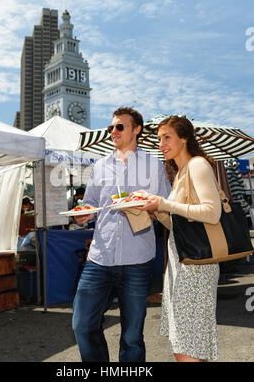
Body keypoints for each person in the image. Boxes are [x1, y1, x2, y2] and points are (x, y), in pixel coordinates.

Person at [72, 107, 170, 362]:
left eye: (119, 127)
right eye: (111, 128)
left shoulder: (154, 165)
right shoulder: (100, 165)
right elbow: (90, 203)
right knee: (82, 325)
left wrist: (150, 209)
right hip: (99, 258)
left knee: (132, 337)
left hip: (137, 259)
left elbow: (166, 205)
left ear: (136, 129)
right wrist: (82, 215)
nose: (113, 132)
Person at [137, 115, 221, 362]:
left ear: (184, 139)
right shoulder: (182, 172)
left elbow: (212, 213)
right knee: (191, 342)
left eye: (167, 137)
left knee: (187, 345)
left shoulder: (197, 165)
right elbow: (180, 225)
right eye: (159, 139)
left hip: (196, 267)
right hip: (183, 263)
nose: (161, 143)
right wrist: (155, 210)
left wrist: (164, 203)